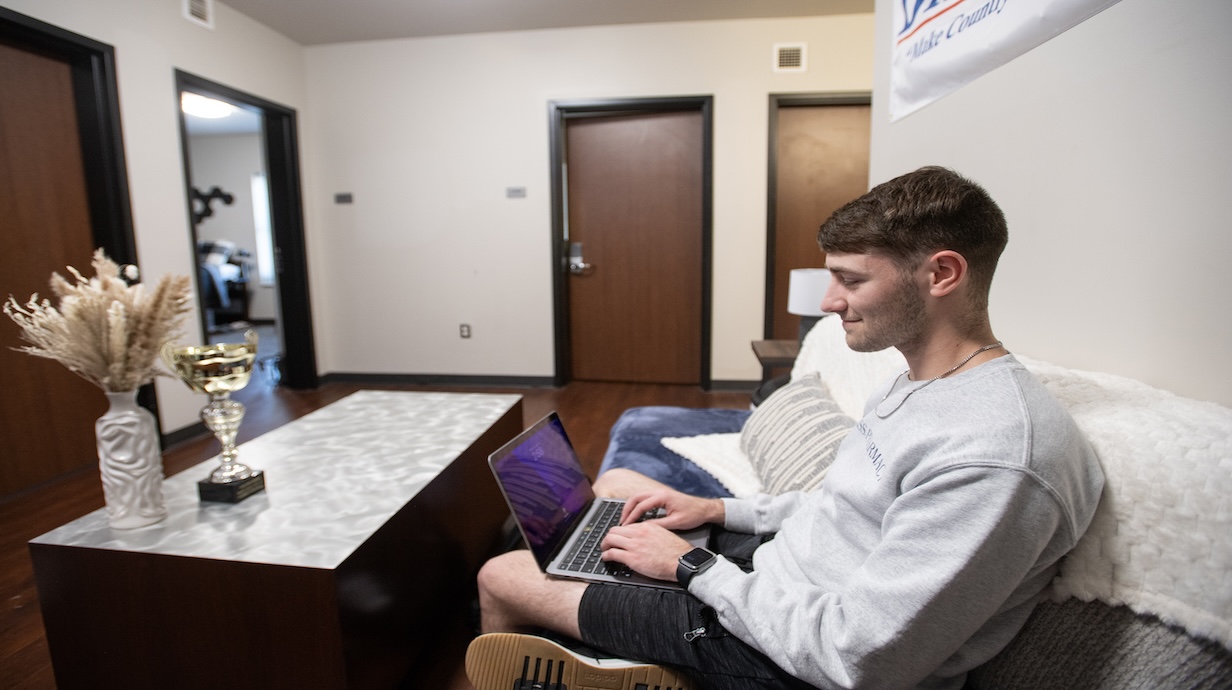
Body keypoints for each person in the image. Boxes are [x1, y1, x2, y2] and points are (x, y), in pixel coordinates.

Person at [466, 166, 1105, 690]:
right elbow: (842, 506)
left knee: (502, 575)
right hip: (773, 581)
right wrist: (714, 507)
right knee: (621, 488)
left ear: (941, 274)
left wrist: (689, 566)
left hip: (786, 656)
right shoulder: (920, 381)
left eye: (851, 280)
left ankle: (634, 660)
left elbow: (856, 657)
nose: (829, 302)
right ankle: (617, 654)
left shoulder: (997, 458)